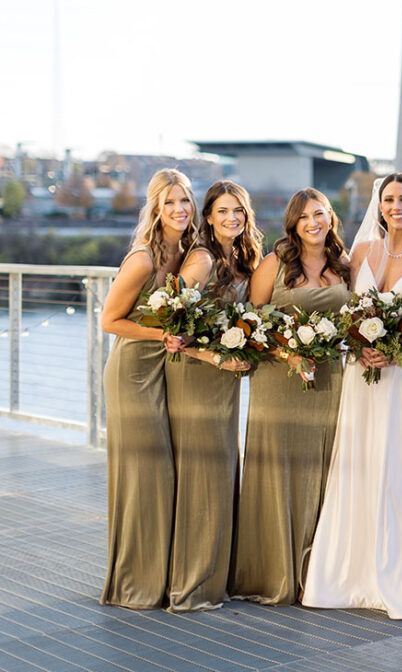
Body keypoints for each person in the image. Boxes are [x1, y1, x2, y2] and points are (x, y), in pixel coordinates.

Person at [302, 173, 402, 620]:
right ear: (379, 205)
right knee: (363, 460)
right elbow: (347, 312)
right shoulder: (361, 253)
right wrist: (362, 346)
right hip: (363, 374)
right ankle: (353, 575)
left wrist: (400, 350)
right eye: (389, 199)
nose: (396, 206)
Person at [229, 188, 350, 605]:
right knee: (279, 469)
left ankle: (316, 574)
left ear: (330, 217)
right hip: (279, 381)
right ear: (293, 225)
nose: (313, 223)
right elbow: (250, 321)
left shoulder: (344, 265)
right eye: (303, 217)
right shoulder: (273, 264)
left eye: (320, 214)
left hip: (330, 379)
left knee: (323, 469)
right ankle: (274, 571)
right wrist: (288, 352)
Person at [100, 168, 199, 608]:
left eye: (185, 201)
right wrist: (160, 336)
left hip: (166, 371)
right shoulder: (142, 259)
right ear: (156, 208)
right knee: (147, 473)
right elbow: (109, 321)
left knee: (166, 473)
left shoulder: (187, 253)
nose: (179, 210)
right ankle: (134, 584)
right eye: (170, 202)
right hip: (133, 374)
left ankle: (158, 577)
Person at [163, 180, 262, 611]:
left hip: (224, 379)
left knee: (221, 472)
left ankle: (214, 576)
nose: (231, 218)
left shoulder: (243, 257)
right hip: (197, 375)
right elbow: (171, 324)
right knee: (202, 474)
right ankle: (192, 586)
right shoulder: (202, 259)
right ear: (208, 216)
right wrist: (213, 357)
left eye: (238, 210)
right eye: (222, 211)